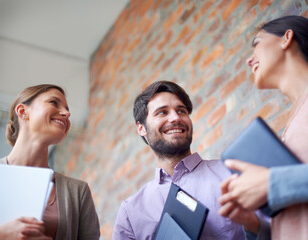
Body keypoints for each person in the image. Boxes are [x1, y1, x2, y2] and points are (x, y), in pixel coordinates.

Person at [218, 15, 308, 240]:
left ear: (286, 38)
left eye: (256, 44)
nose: (249, 60)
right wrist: (257, 225)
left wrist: (271, 183)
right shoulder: (290, 127)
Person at [112, 80, 268, 239]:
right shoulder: (130, 213)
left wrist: (253, 225)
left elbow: (281, 230)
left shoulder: (231, 173)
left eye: (181, 111)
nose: (175, 118)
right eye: (162, 112)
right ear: (141, 128)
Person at [0, 84, 100, 240]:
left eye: (67, 109)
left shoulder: (78, 191)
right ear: (23, 111)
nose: (67, 113)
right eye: (53, 102)